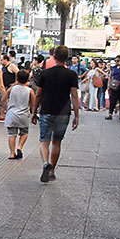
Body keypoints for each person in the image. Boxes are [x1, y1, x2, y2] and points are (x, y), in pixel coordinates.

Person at [32, 46, 80, 183]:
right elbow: (74, 96)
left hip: (46, 110)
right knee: (57, 142)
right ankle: (52, 171)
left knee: (44, 141)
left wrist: (34, 112)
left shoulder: (45, 74)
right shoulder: (71, 75)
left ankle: (45, 163)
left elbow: (38, 94)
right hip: (63, 112)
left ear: (54, 56)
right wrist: (76, 115)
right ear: (67, 58)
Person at [5, 69, 34, 160]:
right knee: (24, 133)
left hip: (12, 115)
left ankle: (12, 153)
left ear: (17, 78)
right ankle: (20, 147)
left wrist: (7, 107)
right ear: (27, 79)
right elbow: (33, 104)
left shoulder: (11, 89)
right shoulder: (30, 91)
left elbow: (3, 99)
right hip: (24, 115)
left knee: (12, 134)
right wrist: (34, 114)